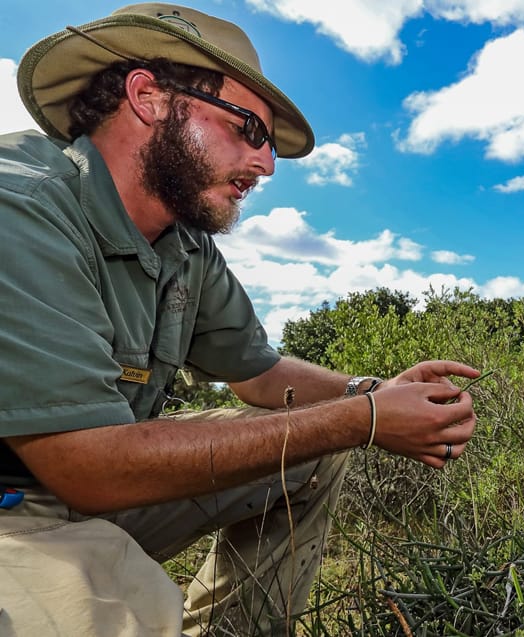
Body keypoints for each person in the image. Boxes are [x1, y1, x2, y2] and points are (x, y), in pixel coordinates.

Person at [0, 4, 479, 636]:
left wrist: (372, 393)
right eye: (249, 129)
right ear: (148, 97)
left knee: (313, 453)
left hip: (87, 489)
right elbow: (86, 463)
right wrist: (363, 420)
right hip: (21, 506)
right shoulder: (21, 206)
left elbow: (258, 374)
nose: (267, 165)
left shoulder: (185, 243)